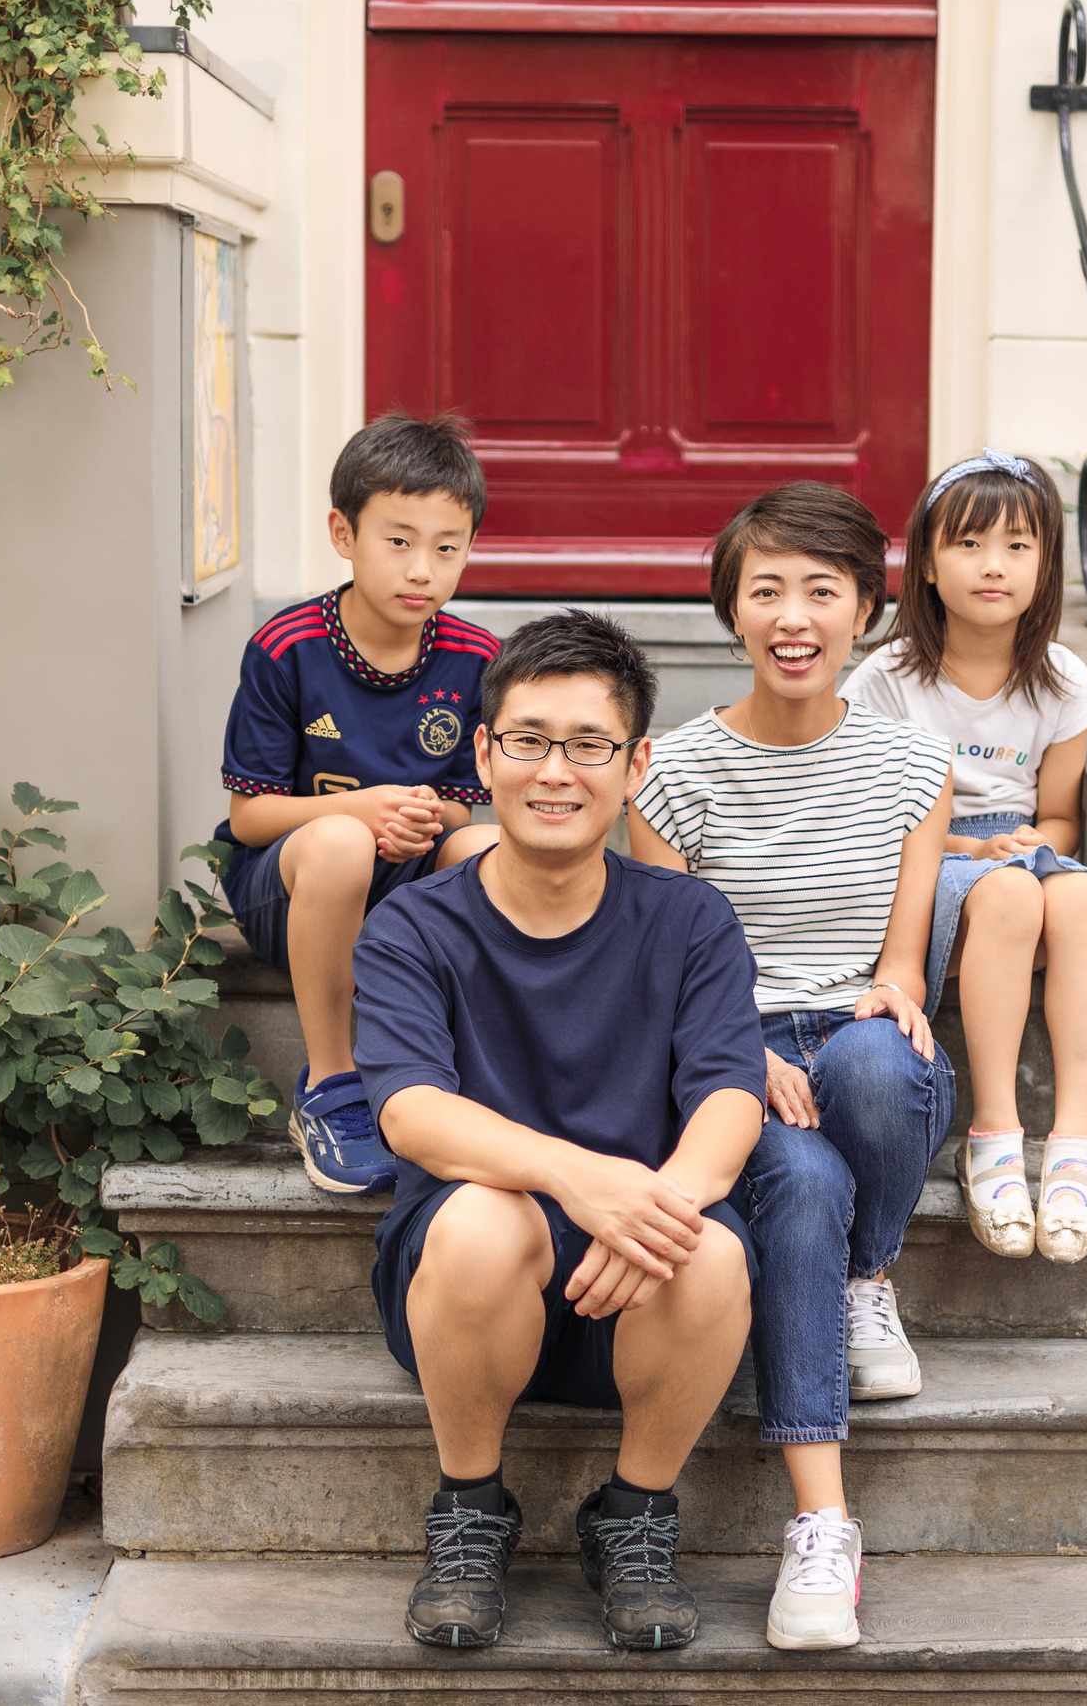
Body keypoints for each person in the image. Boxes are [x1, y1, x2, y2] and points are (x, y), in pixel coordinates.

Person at [355, 611, 766, 1654]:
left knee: (709, 1252)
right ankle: (469, 1511)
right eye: (529, 740)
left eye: (589, 746)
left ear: (634, 768)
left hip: (638, 1304)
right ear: (484, 754)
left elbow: (729, 1096)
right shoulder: (414, 925)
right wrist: (584, 1183)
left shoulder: (688, 920)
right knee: (486, 1219)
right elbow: (410, 1113)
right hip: (469, 1297)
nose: (556, 771)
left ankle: (633, 1515)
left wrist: (656, 1208)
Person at [628, 483, 955, 1653]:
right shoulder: (670, 776)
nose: (794, 615)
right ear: (730, 612)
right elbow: (669, 962)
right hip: (727, 1050)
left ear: (867, 609)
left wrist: (890, 996)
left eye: (823, 589)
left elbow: (903, 965)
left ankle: (870, 1276)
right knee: (799, 1185)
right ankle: (824, 1530)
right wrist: (742, 1050)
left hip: (859, 1037)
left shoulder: (915, 766)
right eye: (765, 589)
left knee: (878, 1064)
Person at [212, 411, 502, 1195]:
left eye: (448, 548)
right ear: (344, 533)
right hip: (293, 890)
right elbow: (249, 817)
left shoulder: (477, 660)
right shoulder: (289, 647)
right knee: (341, 841)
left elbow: (461, 814)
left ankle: (471, 1069)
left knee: (485, 854)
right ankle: (334, 1085)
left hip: (403, 884)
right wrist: (362, 812)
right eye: (399, 541)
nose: (423, 570)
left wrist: (419, 819)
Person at [844, 448, 1087, 1264]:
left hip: (1015, 851)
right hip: (927, 862)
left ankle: (1072, 1146)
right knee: (1006, 896)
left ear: (1045, 565)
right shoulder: (889, 679)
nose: (992, 566)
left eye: (1016, 546)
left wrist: (1040, 844)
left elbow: (1062, 813)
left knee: (1078, 897)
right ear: (926, 563)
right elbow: (880, 817)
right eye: (968, 544)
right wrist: (974, 847)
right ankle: (993, 1136)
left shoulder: (1060, 682)